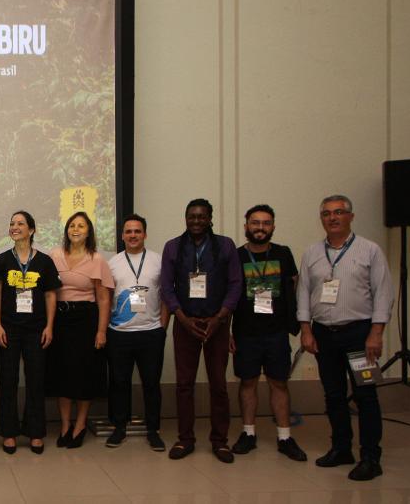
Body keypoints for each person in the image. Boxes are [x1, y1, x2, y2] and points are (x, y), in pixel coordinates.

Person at [297, 195, 393, 481]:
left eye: (339, 212)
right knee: (334, 394)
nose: (333, 218)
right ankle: (341, 448)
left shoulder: (370, 251)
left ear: (351, 216)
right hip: (324, 334)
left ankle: (370, 456)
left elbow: (383, 293)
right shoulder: (312, 253)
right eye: (326, 213)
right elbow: (303, 292)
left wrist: (376, 333)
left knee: (365, 394)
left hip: (360, 333)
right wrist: (305, 329)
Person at [161, 198, 242, 463]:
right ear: (185, 218)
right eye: (191, 217)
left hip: (216, 324)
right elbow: (167, 287)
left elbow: (235, 284)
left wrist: (220, 318)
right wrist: (182, 318)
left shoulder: (226, 245)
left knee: (218, 384)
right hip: (186, 324)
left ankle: (220, 441)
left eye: (201, 217)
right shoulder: (173, 247)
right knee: (184, 385)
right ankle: (186, 439)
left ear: (210, 219)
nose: (196, 221)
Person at [229, 205, 306, 461]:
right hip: (245, 332)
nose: (260, 227)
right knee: (247, 383)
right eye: (255, 222)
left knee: (279, 383)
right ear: (246, 226)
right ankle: (248, 434)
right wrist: (228, 331)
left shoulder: (283, 254)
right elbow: (227, 295)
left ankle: (285, 437)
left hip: (276, 332)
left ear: (273, 226)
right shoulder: (236, 256)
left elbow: (294, 287)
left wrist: (299, 323)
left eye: (265, 223)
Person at [0, 211, 61, 454]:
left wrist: (50, 326)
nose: (15, 227)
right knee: (8, 381)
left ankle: (35, 432)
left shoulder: (44, 261)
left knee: (36, 382)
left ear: (31, 230)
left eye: (20, 223)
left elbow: (51, 295)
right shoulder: (1, 260)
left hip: (37, 330)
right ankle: (9, 433)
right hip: (8, 329)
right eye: (12, 223)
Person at [46, 211, 114, 448]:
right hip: (60, 320)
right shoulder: (54, 255)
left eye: (81, 226)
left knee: (84, 374)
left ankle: (81, 424)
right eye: (72, 225)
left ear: (89, 231)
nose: (76, 229)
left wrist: (101, 331)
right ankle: (65, 424)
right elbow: (48, 292)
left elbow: (104, 299)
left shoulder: (97, 259)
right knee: (62, 374)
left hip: (87, 320)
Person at [105, 214, 169, 450]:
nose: (133, 235)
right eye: (128, 231)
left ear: (145, 234)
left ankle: (153, 430)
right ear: (122, 236)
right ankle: (119, 428)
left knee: (151, 383)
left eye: (137, 231)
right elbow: (106, 299)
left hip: (151, 332)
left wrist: (162, 327)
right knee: (119, 382)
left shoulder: (159, 261)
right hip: (119, 333)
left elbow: (166, 297)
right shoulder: (112, 263)